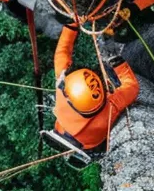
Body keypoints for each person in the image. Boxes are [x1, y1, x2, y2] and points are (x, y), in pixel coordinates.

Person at [43, 27, 139, 164]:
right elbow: (132, 87)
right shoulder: (106, 109)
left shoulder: (63, 91)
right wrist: (118, 63)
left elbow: (61, 54)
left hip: (92, 143)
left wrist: (71, 27)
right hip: (91, 143)